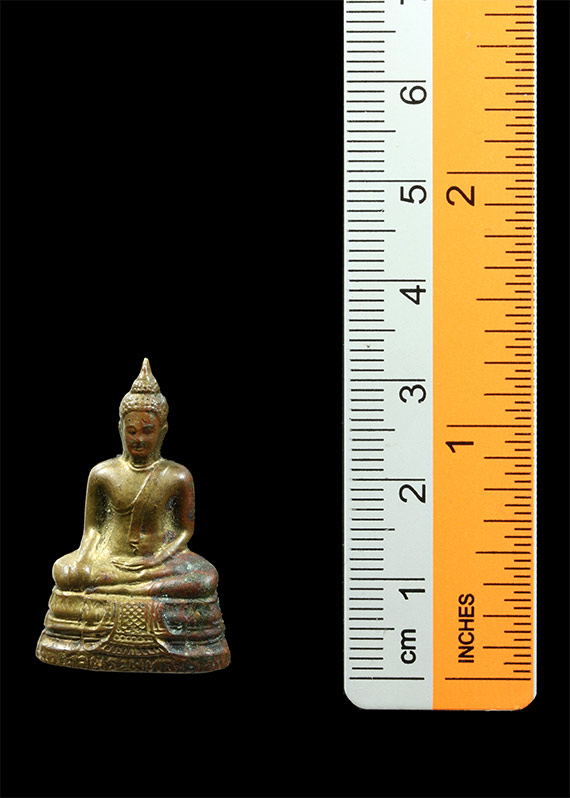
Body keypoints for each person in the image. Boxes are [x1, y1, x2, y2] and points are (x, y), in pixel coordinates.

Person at [37, 359, 230, 673]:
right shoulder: (103, 473)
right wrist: (85, 558)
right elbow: (93, 529)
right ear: (120, 429)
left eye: (148, 431)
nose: (139, 438)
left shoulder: (177, 476)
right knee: (66, 572)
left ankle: (122, 597)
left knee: (203, 577)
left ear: (162, 431)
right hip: (110, 561)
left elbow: (184, 532)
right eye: (132, 430)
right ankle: (133, 597)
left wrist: (158, 559)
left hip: (159, 565)